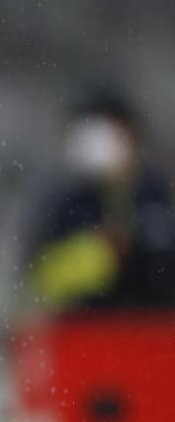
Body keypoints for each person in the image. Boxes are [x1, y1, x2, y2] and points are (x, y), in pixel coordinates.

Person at [25, 88, 175, 310]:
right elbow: (41, 280)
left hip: (155, 334)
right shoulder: (65, 204)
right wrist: (101, 252)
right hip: (86, 335)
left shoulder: (158, 194)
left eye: (110, 132)